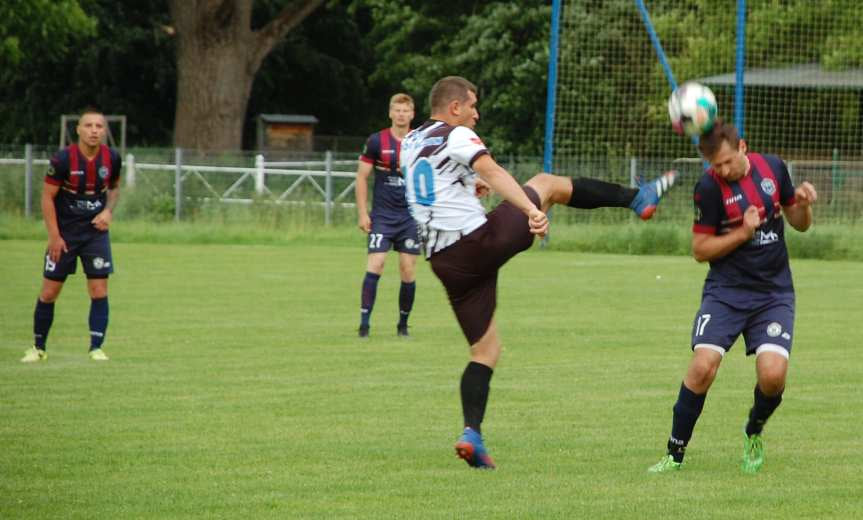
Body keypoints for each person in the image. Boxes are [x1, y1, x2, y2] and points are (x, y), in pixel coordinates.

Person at [402, 76, 677, 469]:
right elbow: (495, 172)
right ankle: (637, 198)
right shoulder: (456, 135)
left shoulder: (411, 141)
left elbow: (431, 187)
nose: (477, 113)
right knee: (546, 185)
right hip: (478, 243)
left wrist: (469, 184)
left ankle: (472, 434)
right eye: (473, 104)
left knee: (485, 350)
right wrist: (530, 209)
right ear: (454, 107)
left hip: (445, 263)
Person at [647, 120, 817, 474]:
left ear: (742, 146)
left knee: (773, 376)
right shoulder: (709, 187)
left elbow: (800, 223)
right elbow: (700, 249)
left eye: (726, 162)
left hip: (773, 292)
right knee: (703, 365)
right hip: (726, 291)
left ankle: (753, 430)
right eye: (715, 165)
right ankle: (673, 454)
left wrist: (802, 204)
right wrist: (743, 232)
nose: (722, 170)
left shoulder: (773, 167)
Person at [21, 107, 122, 363]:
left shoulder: (112, 158)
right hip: (65, 234)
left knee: (99, 290)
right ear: (78, 129)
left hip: (95, 235)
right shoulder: (63, 160)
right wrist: (54, 236)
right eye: (89, 126)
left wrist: (108, 212)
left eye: (99, 127)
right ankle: (38, 348)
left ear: (104, 131)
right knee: (49, 292)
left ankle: (96, 348)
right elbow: (47, 197)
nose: (94, 131)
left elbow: (114, 189)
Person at [355, 93, 420, 338]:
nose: (401, 114)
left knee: (407, 270)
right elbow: (361, 177)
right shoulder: (376, 141)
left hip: (410, 217)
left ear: (412, 114)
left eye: (406, 110)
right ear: (390, 113)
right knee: (376, 264)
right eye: (397, 110)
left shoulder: (419, 142)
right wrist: (363, 213)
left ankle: (403, 326)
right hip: (382, 215)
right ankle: (364, 325)